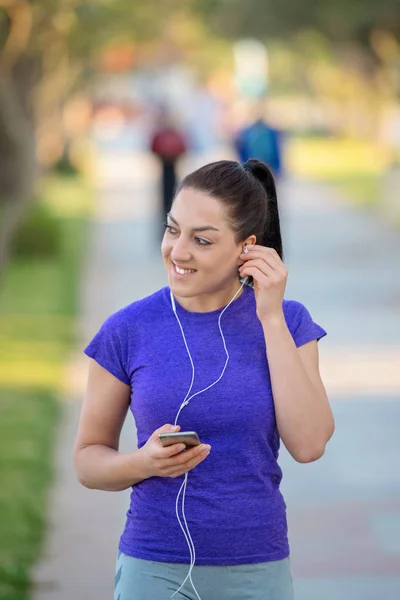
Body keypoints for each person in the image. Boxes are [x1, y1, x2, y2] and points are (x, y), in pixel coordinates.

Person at [74, 158, 335, 600]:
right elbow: (87, 460)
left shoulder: (288, 321)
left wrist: (269, 317)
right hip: (153, 566)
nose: (178, 251)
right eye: (172, 229)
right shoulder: (127, 329)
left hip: (257, 566)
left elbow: (309, 445)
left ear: (246, 248)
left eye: (202, 240)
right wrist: (144, 463)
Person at [150, 110, 187, 223]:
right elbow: (154, 146)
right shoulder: (161, 134)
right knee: (165, 193)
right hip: (164, 165)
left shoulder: (175, 134)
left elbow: (183, 147)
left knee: (173, 190)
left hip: (173, 164)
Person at [235, 112, 283, 179]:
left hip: (268, 167)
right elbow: (243, 151)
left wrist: (277, 169)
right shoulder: (246, 132)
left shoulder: (270, 132)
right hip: (252, 169)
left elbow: (276, 151)